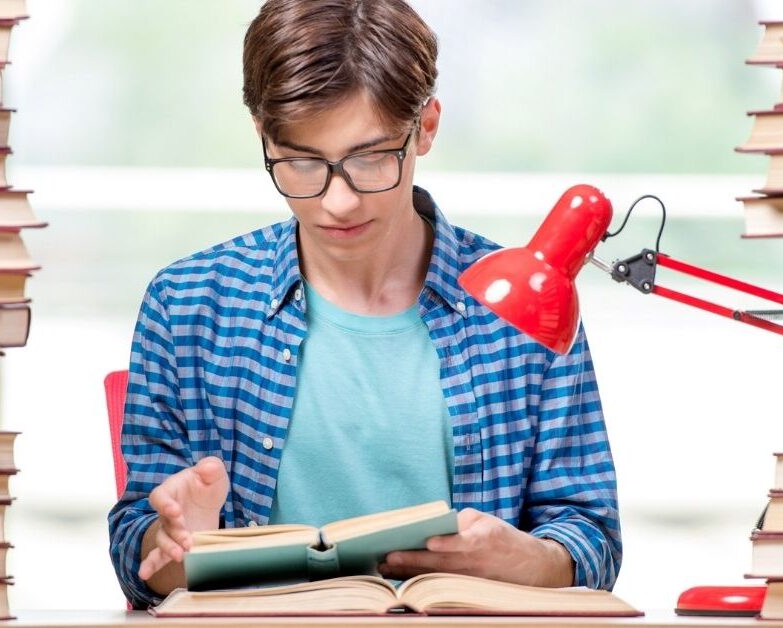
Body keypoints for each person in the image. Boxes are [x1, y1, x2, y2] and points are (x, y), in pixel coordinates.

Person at [108, 0, 621, 609]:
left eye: (371, 157)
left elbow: (591, 540)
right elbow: (137, 556)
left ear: (425, 127)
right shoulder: (188, 304)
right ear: (262, 137)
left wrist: (526, 558)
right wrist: (177, 548)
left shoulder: (522, 306)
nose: (339, 201)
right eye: (301, 161)